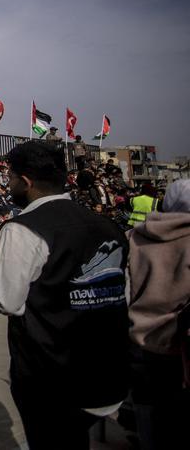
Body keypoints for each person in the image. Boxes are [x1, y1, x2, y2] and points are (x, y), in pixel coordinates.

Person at [0, 141, 129, 450]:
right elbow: (120, 294)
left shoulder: (23, 228)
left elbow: (5, 299)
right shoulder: (108, 227)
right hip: (106, 371)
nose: (7, 184)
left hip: (50, 377)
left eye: (10, 178)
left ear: (26, 181)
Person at [126, 178, 190, 450]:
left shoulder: (134, 238)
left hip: (140, 342)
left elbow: (123, 292)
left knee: (147, 411)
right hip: (181, 347)